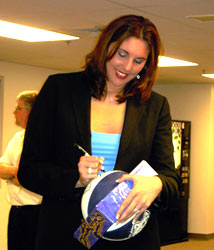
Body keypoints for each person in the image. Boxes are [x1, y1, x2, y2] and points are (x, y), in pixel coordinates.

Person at [18, 15, 181, 250]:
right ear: (106, 46)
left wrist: (156, 184)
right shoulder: (59, 91)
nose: (127, 67)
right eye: (122, 54)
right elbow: (29, 170)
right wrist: (76, 178)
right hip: (66, 233)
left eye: (138, 60)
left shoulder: (155, 106)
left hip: (130, 236)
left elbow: (171, 179)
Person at [0, 90, 42, 250]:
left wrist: (15, 175)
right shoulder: (18, 138)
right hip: (17, 212)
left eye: (18, 108)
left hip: (36, 214)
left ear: (30, 111)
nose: (14, 112)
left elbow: (34, 179)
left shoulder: (43, 140)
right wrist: (18, 171)